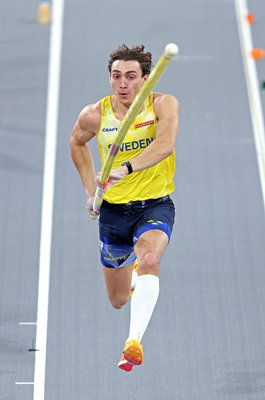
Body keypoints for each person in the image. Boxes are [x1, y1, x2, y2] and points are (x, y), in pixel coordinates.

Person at [70, 44, 179, 372]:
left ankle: (133, 343)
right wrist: (90, 189)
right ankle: (132, 278)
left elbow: (164, 145)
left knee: (149, 259)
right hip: (114, 212)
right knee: (118, 300)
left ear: (145, 79)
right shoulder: (94, 115)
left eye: (131, 76)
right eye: (116, 76)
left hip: (154, 203)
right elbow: (77, 143)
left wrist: (125, 168)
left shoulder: (162, 104)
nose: (123, 83)